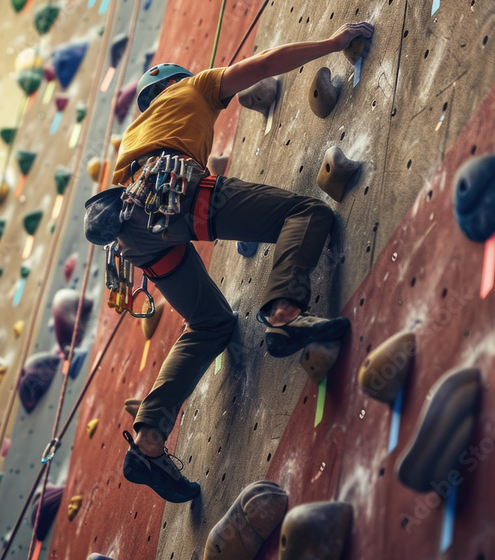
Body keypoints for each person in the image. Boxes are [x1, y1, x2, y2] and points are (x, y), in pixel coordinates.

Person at [114, 21, 375, 503]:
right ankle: (285, 313)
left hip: (134, 235)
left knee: (210, 325)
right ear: (176, 82)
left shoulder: (132, 136)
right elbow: (266, 64)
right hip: (175, 194)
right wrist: (334, 42)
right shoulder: (192, 88)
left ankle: (149, 438)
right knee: (307, 213)